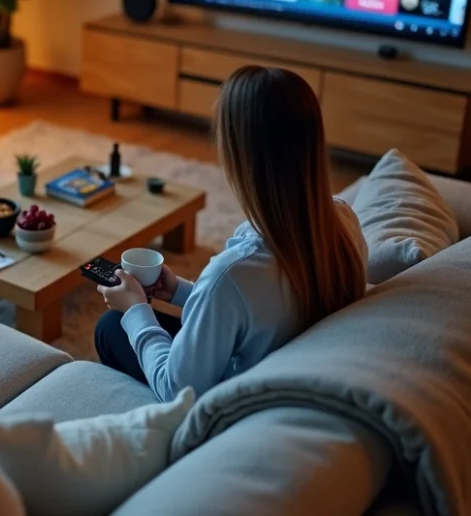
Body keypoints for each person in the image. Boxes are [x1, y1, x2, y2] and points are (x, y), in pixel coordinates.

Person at [93, 66, 368, 403]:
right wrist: (179, 291)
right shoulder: (342, 222)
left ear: (240, 156)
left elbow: (177, 389)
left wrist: (136, 308)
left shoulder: (234, 273)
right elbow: (256, 310)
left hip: (230, 393)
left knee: (111, 326)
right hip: (275, 358)